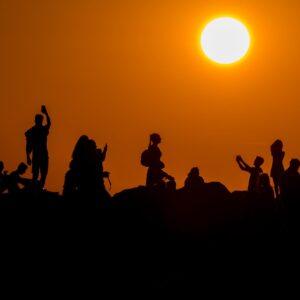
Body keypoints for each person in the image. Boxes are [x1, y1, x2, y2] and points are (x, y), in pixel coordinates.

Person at [25, 105, 51, 189]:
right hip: (37, 155)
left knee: (44, 173)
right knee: (36, 174)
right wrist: (28, 156)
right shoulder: (32, 131)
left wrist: (46, 113)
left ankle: (39, 188)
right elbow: (28, 144)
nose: (40, 121)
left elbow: (49, 123)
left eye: (40, 120)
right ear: (36, 120)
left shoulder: (43, 130)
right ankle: (35, 189)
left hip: (43, 154)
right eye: (38, 120)